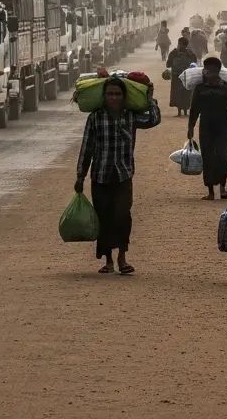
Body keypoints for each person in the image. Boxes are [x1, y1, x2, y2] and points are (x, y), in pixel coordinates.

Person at [75, 75, 162, 275]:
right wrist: (80, 176)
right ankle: (108, 260)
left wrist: (150, 99)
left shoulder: (130, 116)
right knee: (104, 217)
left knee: (122, 216)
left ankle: (123, 257)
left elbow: (153, 119)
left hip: (123, 175)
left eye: (117, 94)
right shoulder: (95, 117)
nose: (113, 98)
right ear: (104, 97)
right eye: (110, 94)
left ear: (124, 97)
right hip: (100, 176)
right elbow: (86, 148)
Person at [187, 57, 227, 201]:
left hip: (223, 126)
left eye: (212, 70)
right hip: (205, 126)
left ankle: (223, 188)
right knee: (207, 157)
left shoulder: (226, 87)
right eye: (207, 70)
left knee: (223, 156)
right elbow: (194, 109)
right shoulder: (200, 88)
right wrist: (190, 127)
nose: (209, 73)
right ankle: (210, 191)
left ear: (218, 71)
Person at [166, 36, 198, 117]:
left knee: (181, 93)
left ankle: (182, 111)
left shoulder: (175, 53)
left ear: (183, 45)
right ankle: (182, 111)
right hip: (182, 76)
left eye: (180, 44)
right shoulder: (189, 53)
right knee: (183, 93)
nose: (179, 45)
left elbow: (168, 64)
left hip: (181, 76)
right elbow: (168, 64)